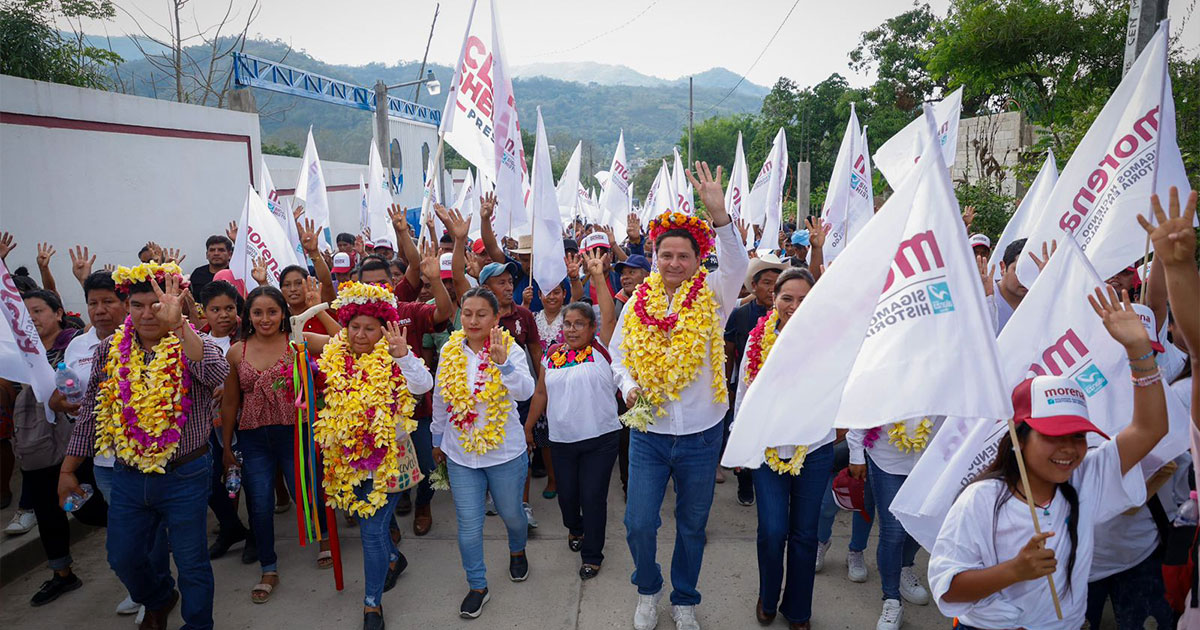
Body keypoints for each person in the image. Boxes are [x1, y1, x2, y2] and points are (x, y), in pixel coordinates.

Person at [929, 285, 1170, 629]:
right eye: (1053, 436)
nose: (1069, 449)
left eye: (1078, 436)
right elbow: (949, 589)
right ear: (1019, 438)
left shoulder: (1086, 478)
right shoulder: (980, 499)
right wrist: (1014, 571)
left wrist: (1139, 351)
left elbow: (1150, 429)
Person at [610, 162, 749, 630]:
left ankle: (684, 597)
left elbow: (738, 264)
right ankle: (648, 590)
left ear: (696, 259)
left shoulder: (714, 293)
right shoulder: (636, 303)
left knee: (692, 526)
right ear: (655, 257)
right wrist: (629, 386)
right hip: (649, 433)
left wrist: (720, 215)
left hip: (702, 435)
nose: (673, 263)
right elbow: (617, 356)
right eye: (665, 254)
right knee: (638, 524)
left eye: (682, 256)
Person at [60, 262, 230, 630]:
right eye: (138, 304)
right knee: (122, 556)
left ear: (177, 303)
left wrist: (180, 326)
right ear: (126, 307)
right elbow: (89, 412)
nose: (148, 312)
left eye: (158, 303)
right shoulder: (108, 350)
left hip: (186, 472)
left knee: (191, 561)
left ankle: (198, 625)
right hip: (128, 476)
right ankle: (158, 598)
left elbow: (219, 374)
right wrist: (68, 469)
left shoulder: (192, 342)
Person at [307, 281, 433, 630]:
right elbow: (299, 339)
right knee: (371, 528)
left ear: (384, 329)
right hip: (346, 461)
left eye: (369, 328)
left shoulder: (395, 356)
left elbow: (424, 386)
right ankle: (395, 558)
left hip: (388, 462)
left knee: (372, 532)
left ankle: (372, 604)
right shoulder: (334, 354)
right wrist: (316, 309)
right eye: (354, 327)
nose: (360, 334)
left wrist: (403, 354)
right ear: (344, 326)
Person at [219, 283, 335, 603]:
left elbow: (343, 343)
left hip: (294, 433)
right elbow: (230, 403)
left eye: (272, 311)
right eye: (258, 312)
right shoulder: (236, 351)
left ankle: (324, 537)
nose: (265, 318)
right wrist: (227, 447)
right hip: (253, 438)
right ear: (249, 315)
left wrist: (318, 309)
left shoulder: (298, 341)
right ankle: (268, 567)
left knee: (307, 491)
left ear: (284, 314)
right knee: (259, 502)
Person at [735, 267, 836, 630]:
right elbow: (745, 392)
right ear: (772, 299)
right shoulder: (757, 337)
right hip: (768, 447)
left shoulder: (830, 341)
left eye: (804, 300)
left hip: (815, 448)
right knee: (773, 530)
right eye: (787, 298)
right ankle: (768, 594)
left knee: (805, 533)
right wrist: (740, 440)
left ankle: (798, 610)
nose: (794, 306)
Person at [431, 287, 536, 619]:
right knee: (468, 525)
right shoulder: (450, 350)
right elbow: (439, 399)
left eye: (481, 314)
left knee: (513, 515)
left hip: (504, 453)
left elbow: (526, 391)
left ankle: (517, 550)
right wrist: (437, 439)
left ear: (495, 318)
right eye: (467, 313)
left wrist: (503, 364)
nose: (473, 320)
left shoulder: (510, 348)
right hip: (461, 455)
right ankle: (477, 586)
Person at [527, 249, 619, 580]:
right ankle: (574, 527)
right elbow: (540, 393)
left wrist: (596, 276)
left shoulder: (603, 348)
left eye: (579, 324)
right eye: (567, 324)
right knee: (568, 499)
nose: (571, 329)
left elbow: (609, 315)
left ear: (592, 327)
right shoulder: (552, 355)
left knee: (593, 497)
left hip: (601, 439)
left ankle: (593, 554)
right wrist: (527, 429)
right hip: (562, 440)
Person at [9, 290, 83, 606]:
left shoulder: (77, 344)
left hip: (78, 438)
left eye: (38, 311)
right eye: (26, 315)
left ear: (58, 313)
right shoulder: (18, 353)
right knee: (47, 508)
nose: (32, 319)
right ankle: (62, 574)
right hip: (38, 439)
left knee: (95, 507)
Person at [722, 254, 788, 505]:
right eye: (767, 282)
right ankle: (745, 481)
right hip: (746, 387)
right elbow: (729, 350)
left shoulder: (789, 316)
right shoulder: (740, 315)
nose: (772, 289)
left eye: (777, 283)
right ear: (754, 285)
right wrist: (728, 387)